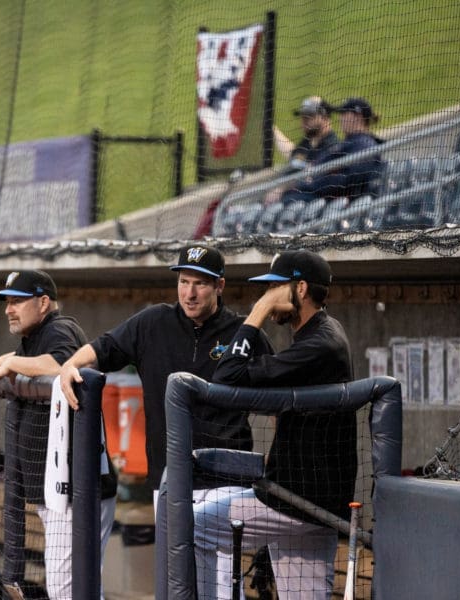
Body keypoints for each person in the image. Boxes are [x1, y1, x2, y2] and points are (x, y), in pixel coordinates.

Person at [194, 250, 356, 600]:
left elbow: (226, 377)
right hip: (309, 506)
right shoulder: (323, 334)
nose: (266, 295)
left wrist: (258, 312)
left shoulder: (320, 344)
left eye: (274, 288)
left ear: (300, 289)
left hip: (292, 503)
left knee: (191, 528)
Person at [58, 246, 272, 491]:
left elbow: (281, 398)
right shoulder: (153, 322)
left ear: (219, 286)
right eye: (184, 282)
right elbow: (103, 348)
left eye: (200, 284)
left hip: (228, 480)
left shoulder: (243, 332)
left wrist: (275, 458)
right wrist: (70, 364)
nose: (189, 293)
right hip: (168, 478)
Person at [0, 269, 115, 600]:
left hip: (78, 488)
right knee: (76, 587)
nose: (8, 309)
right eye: (7, 302)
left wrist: (14, 367)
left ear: (44, 302)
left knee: (64, 587)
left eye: (17, 301)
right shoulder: (35, 337)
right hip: (62, 489)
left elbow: (62, 364)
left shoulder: (61, 328)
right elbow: (21, 357)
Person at [282, 97, 385, 203]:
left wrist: (315, 182)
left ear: (357, 117)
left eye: (344, 113)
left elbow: (352, 179)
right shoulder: (347, 143)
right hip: (321, 196)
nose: (340, 118)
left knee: (290, 200)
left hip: (340, 203)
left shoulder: (364, 144)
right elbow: (318, 165)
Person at [273, 96, 339, 172]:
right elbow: (293, 154)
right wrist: (273, 130)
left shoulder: (332, 147)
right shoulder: (308, 142)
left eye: (309, 116)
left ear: (324, 117)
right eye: (303, 117)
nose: (303, 121)